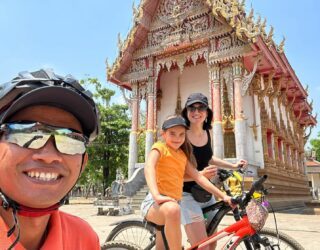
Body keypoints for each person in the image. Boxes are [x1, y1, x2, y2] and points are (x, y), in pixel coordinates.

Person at [0, 69, 100, 249]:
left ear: (83, 163)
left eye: (71, 140)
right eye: (26, 133)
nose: (49, 156)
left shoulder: (83, 239)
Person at [140, 115, 234, 250]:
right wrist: (156, 195)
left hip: (172, 208)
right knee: (173, 209)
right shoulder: (159, 148)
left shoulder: (182, 156)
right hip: (154, 204)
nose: (177, 138)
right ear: (163, 134)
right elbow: (149, 167)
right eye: (172, 134)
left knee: (163, 244)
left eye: (181, 134)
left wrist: (224, 196)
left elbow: (198, 178)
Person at [180, 92, 247, 249]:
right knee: (202, 246)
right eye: (192, 108)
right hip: (186, 195)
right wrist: (222, 195)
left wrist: (234, 165)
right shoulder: (181, 135)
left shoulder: (206, 132)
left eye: (201, 108)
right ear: (186, 111)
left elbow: (208, 157)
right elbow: (177, 171)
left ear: (207, 112)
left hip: (206, 193)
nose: (196, 112)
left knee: (212, 243)